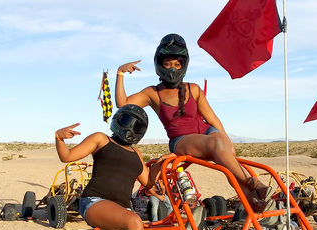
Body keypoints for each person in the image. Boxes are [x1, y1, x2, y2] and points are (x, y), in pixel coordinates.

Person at [115, 33, 272, 213]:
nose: (172, 68)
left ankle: (253, 202)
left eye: (177, 64)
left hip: (208, 133)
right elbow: (122, 103)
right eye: (168, 64)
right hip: (182, 140)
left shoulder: (193, 89)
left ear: (183, 64)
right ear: (160, 64)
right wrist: (120, 73)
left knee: (229, 163)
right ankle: (255, 183)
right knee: (219, 146)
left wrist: (228, 143)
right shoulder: (153, 93)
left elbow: (212, 119)